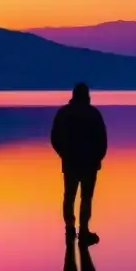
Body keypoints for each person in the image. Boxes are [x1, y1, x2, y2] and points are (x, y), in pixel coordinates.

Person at [50, 82, 107, 245]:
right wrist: (97, 158)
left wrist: (64, 154)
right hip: (89, 164)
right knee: (85, 197)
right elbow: (102, 141)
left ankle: (70, 229)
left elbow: (54, 138)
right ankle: (82, 231)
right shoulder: (94, 114)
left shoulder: (64, 113)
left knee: (69, 196)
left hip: (71, 163)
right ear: (87, 95)